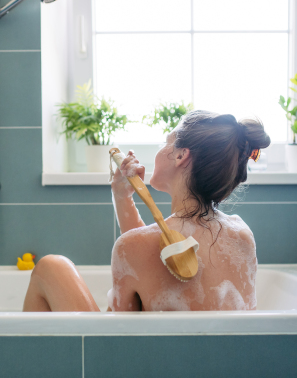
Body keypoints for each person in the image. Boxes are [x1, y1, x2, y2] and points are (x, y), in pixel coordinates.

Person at [23, 110, 271, 312]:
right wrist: (123, 196)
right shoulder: (242, 236)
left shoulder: (134, 247)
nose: (161, 148)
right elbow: (152, 252)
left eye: (167, 142)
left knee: (51, 267)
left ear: (181, 156)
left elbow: (112, 338)